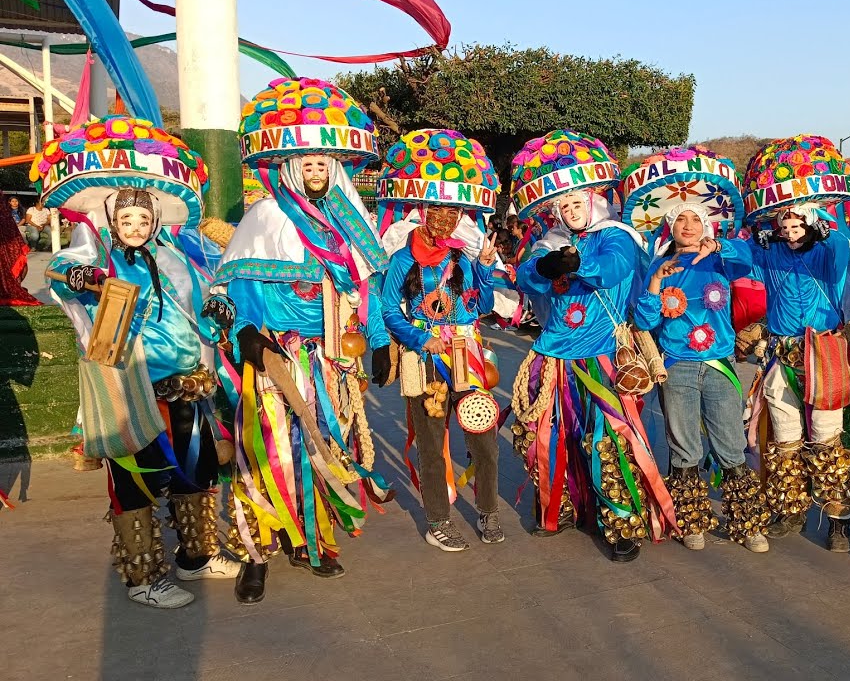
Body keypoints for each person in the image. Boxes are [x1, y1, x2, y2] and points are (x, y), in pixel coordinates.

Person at [37, 116, 241, 609]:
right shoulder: (99, 252)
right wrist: (89, 277)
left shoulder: (176, 255)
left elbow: (212, 292)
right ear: (112, 221)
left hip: (188, 381)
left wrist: (218, 309)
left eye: (143, 220)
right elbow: (61, 272)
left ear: (155, 221)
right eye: (125, 220)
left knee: (197, 470)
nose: (134, 227)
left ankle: (195, 556)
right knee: (136, 479)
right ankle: (143, 576)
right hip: (130, 387)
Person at [210, 78, 393, 604]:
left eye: (322, 164)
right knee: (265, 451)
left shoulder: (348, 220)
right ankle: (255, 551)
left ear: (334, 168)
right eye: (306, 164)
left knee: (321, 445)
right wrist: (244, 333)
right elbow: (237, 288)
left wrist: (378, 339)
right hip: (273, 356)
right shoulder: (264, 217)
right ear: (290, 167)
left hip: (330, 358)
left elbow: (367, 286)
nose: (315, 172)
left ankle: (312, 539)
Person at [510, 129, 677, 563]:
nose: (569, 209)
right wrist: (545, 266)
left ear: (593, 199)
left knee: (609, 442)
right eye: (562, 204)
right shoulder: (549, 241)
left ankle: (620, 522)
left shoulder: (615, 234)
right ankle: (558, 509)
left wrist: (578, 263)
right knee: (550, 439)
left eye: (575, 201)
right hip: (553, 358)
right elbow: (526, 275)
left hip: (602, 356)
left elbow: (614, 268)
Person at [376, 127, 505, 551]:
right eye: (438, 209)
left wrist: (484, 267)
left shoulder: (462, 257)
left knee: (483, 437)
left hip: (467, 355)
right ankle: (437, 521)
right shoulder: (401, 259)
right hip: (426, 361)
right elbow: (389, 309)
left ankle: (487, 510)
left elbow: (481, 302)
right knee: (432, 444)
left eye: (454, 212)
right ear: (422, 211)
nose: (446, 219)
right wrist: (417, 337)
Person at [740, 135, 850, 552]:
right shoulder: (770, 253)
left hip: (824, 350)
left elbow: (841, 247)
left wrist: (821, 221)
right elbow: (736, 252)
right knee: (787, 433)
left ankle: (839, 520)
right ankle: (789, 507)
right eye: (785, 224)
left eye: (798, 224)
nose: (790, 230)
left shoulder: (829, 252)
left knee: (827, 435)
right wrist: (723, 241)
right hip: (780, 351)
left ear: (810, 224)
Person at [632, 197, 771, 553]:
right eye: (681, 220)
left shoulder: (721, 260)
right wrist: (655, 283)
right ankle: (690, 520)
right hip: (677, 365)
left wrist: (721, 245)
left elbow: (747, 259)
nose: (689, 226)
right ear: (671, 227)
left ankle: (747, 523)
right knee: (684, 446)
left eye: (696, 219)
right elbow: (646, 322)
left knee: (730, 443)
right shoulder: (659, 266)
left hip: (719, 364)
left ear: (706, 226)